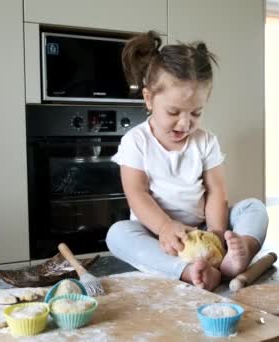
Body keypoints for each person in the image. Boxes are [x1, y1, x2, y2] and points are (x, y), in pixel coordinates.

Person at [106, 31, 268, 291]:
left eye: (196, 113)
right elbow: (137, 193)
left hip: (202, 227)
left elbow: (217, 191)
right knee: (117, 234)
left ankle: (239, 254)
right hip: (157, 234)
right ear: (148, 99)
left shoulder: (206, 141)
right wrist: (164, 227)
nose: (185, 123)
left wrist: (215, 236)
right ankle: (187, 270)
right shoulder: (136, 141)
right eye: (173, 112)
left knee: (254, 208)